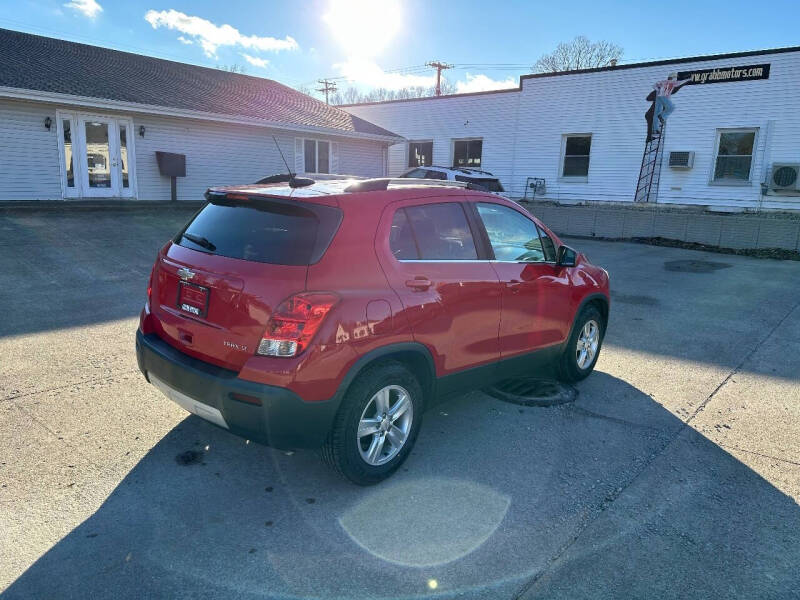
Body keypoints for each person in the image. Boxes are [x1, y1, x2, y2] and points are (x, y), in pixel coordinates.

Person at [645, 73, 691, 141]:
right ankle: (662, 116)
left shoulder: (662, 82)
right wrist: (688, 79)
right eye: (675, 78)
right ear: (673, 78)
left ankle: (655, 131)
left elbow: (654, 86)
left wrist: (658, 90)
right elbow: (680, 83)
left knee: (657, 113)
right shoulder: (672, 82)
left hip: (659, 97)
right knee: (671, 107)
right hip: (663, 96)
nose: (675, 79)